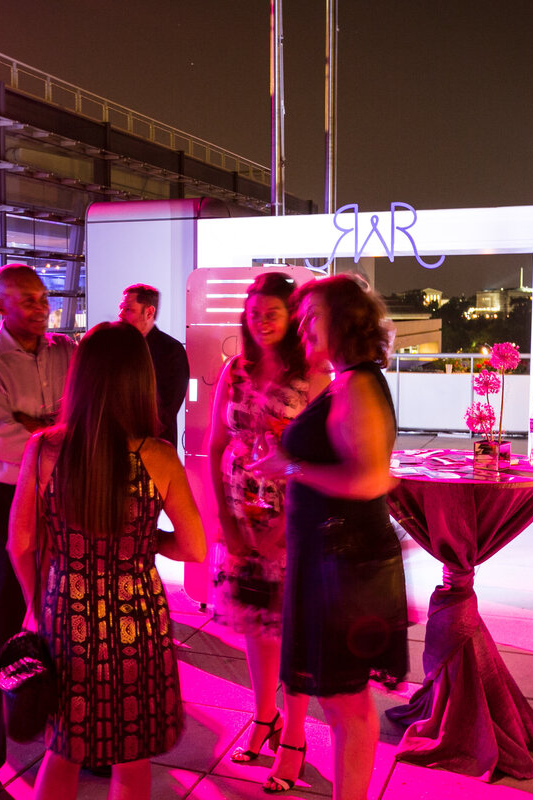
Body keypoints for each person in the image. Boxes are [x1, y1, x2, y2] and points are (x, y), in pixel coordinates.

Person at [7, 322, 206, 800]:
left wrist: (38, 602)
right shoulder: (157, 456)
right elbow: (196, 548)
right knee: (131, 752)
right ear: (141, 380)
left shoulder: (45, 449)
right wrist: (147, 542)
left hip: (66, 608)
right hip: (136, 615)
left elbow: (20, 541)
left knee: (64, 747)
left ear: (82, 376)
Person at [249, 274, 408, 799]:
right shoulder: (346, 380)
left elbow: (366, 479)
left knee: (346, 703)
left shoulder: (359, 383)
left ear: (343, 320)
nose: (302, 325)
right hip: (333, 559)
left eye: (312, 315)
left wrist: (291, 468)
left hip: (346, 565)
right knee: (342, 701)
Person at [0, 264, 77, 800]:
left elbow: (81, 419)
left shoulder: (66, 352)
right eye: (26, 300)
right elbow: (3, 438)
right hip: (6, 498)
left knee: (74, 620)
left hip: (64, 497)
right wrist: (55, 431)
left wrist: (37, 427)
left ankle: (80, 741)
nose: (39, 307)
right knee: (3, 621)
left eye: (42, 298)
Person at [206, 272, 330, 771]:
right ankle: (264, 717)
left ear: (293, 317)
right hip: (240, 513)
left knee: (292, 627)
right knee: (256, 625)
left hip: (293, 518)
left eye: (272, 313)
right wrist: (226, 520)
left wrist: (284, 527)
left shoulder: (316, 377)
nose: (261, 322)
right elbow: (216, 444)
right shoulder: (235, 370)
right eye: (255, 313)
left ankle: (296, 737)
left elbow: (327, 458)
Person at [119, 284, 190, 447]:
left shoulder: (172, 351)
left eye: (128, 309)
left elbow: (166, 413)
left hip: (154, 448)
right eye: (121, 308)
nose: (120, 314)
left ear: (149, 312)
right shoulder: (117, 347)